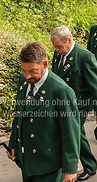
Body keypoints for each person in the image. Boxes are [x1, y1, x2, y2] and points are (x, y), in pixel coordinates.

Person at [9, 41, 80, 182]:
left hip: (50, 164)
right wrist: (13, 144)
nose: (27, 76)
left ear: (45, 64)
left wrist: (70, 168)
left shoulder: (60, 91)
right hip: (28, 161)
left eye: (32, 71)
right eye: (24, 71)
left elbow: (70, 132)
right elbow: (19, 115)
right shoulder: (24, 82)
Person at [51, 26, 97, 181]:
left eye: (59, 46)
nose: (57, 50)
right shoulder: (58, 54)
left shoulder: (84, 56)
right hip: (62, 103)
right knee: (75, 135)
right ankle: (78, 164)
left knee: (74, 134)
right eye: (55, 47)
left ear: (69, 40)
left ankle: (89, 166)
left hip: (79, 104)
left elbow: (96, 85)